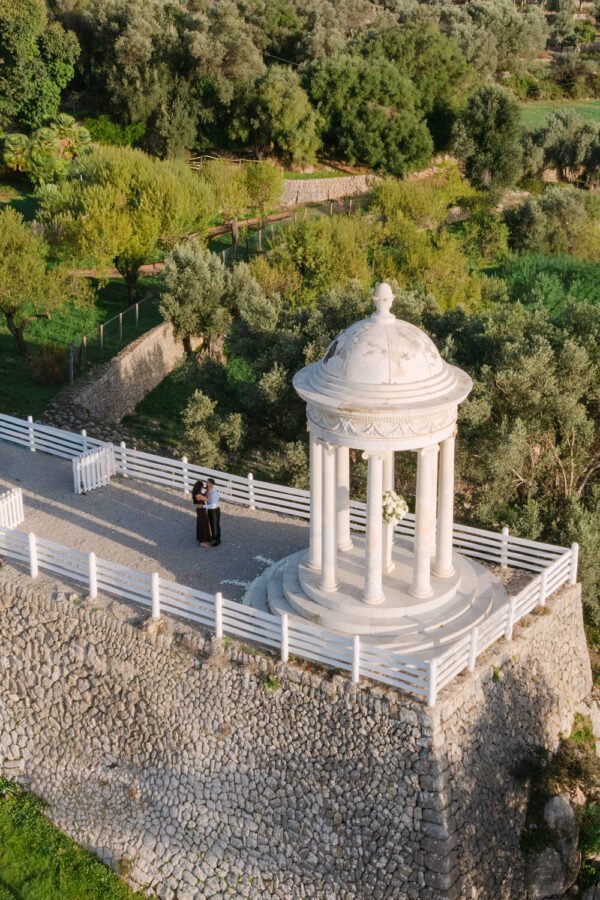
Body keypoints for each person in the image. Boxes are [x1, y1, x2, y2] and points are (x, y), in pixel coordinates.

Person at [192, 480, 211, 547]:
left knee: (203, 524)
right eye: (202, 486)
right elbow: (207, 499)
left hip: (200, 509)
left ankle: (204, 540)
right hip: (201, 510)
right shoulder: (198, 495)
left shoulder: (197, 493)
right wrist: (209, 492)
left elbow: (204, 495)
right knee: (203, 525)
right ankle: (202, 541)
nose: (202, 487)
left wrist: (207, 489)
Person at [206, 478, 221, 547]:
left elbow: (213, 505)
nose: (206, 484)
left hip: (214, 510)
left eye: (208, 483)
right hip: (210, 509)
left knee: (215, 525)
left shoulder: (214, 493)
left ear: (212, 484)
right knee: (211, 524)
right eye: (206, 483)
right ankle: (214, 537)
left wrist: (203, 506)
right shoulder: (208, 490)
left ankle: (218, 539)